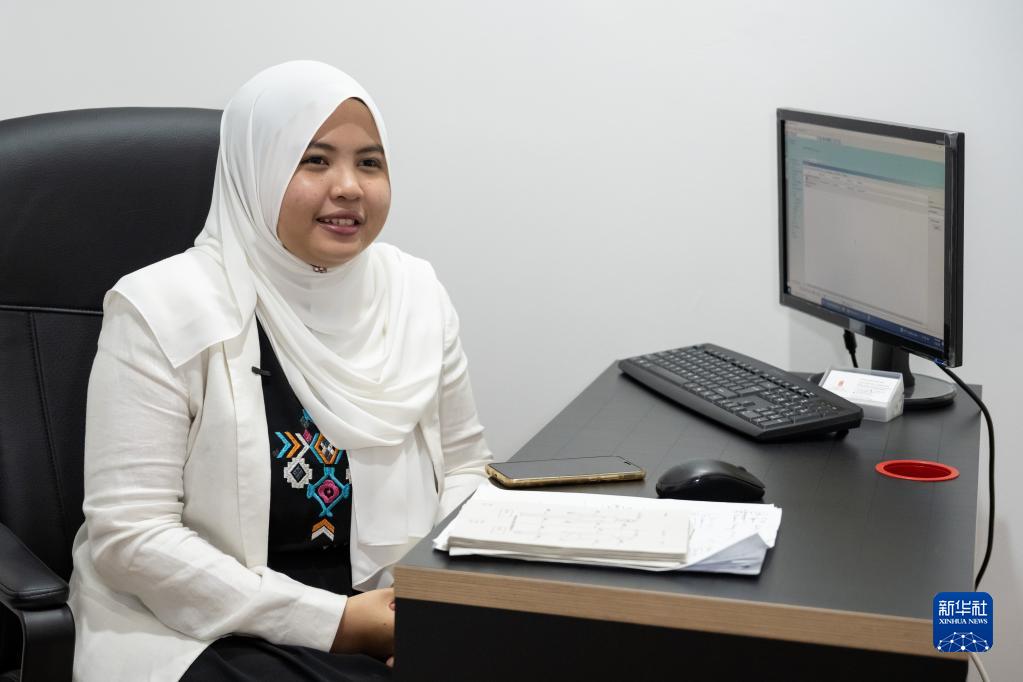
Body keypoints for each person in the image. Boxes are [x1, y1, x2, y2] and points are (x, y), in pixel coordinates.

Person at [67, 61, 493, 681]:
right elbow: (131, 537)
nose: (349, 187)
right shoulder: (160, 308)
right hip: (203, 627)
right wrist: (339, 624)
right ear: (256, 172)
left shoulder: (414, 296)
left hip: (388, 608)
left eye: (369, 163)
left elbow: (465, 470)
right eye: (314, 160)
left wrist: (426, 605)